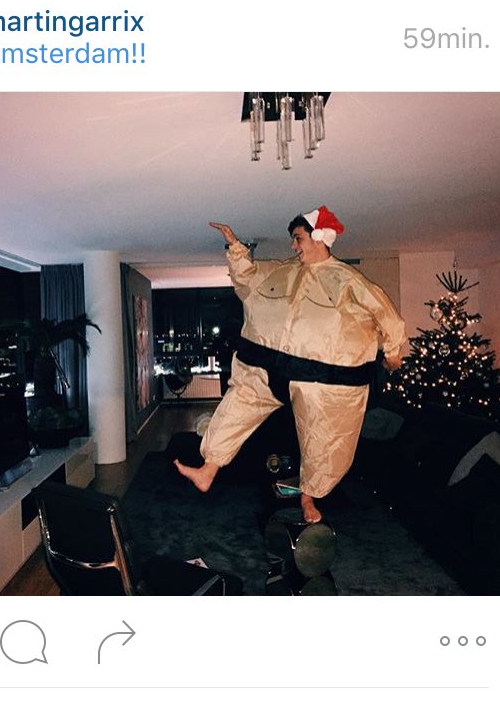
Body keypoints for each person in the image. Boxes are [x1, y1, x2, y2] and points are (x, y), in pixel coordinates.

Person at [174, 206, 406, 523]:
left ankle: (309, 497)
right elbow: (247, 278)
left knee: (323, 439)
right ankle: (208, 469)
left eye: (298, 238)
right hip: (267, 366)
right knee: (237, 406)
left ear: (318, 237)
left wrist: (392, 352)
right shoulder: (282, 271)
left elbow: (385, 314)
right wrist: (235, 248)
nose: (293, 245)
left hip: (319, 379)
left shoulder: (348, 281)